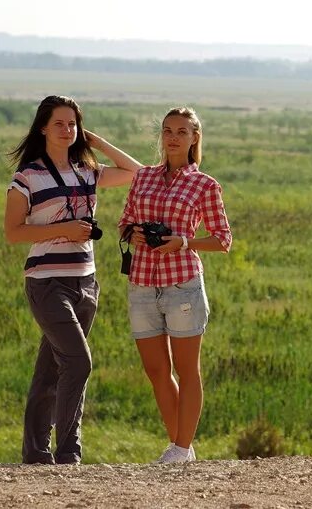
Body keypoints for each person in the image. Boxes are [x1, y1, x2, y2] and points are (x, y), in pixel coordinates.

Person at [4, 95, 141, 464]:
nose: (67, 130)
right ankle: (68, 451)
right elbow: (13, 233)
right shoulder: (27, 176)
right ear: (43, 128)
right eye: (59, 124)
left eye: (73, 124)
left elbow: (137, 173)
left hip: (86, 283)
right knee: (79, 362)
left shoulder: (87, 170)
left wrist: (98, 143)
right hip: (47, 282)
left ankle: (35, 452)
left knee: (51, 368)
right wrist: (64, 228)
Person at [118, 107, 232, 463]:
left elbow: (223, 239)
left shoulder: (204, 184)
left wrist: (184, 241)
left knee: (187, 370)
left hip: (182, 284)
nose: (172, 137)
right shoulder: (143, 177)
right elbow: (124, 221)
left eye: (182, 132)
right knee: (155, 371)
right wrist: (134, 234)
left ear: (194, 137)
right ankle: (181, 447)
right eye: (168, 131)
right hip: (141, 283)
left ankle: (181, 448)